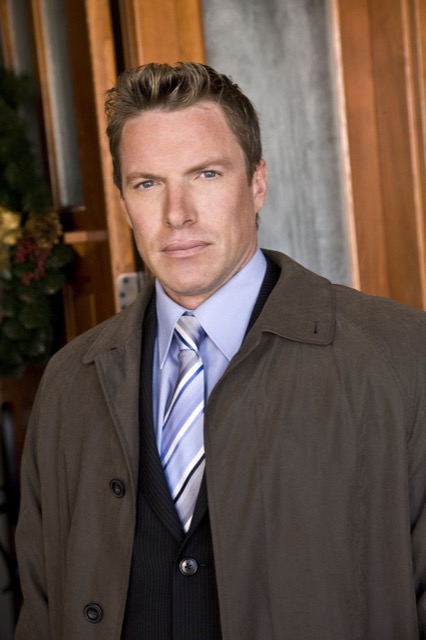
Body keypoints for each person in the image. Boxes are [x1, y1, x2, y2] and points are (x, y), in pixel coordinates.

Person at [14, 62, 426, 640]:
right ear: (124, 201)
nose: (176, 214)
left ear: (257, 183)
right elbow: (40, 605)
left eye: (205, 174)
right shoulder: (67, 382)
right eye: (148, 183)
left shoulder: (403, 355)